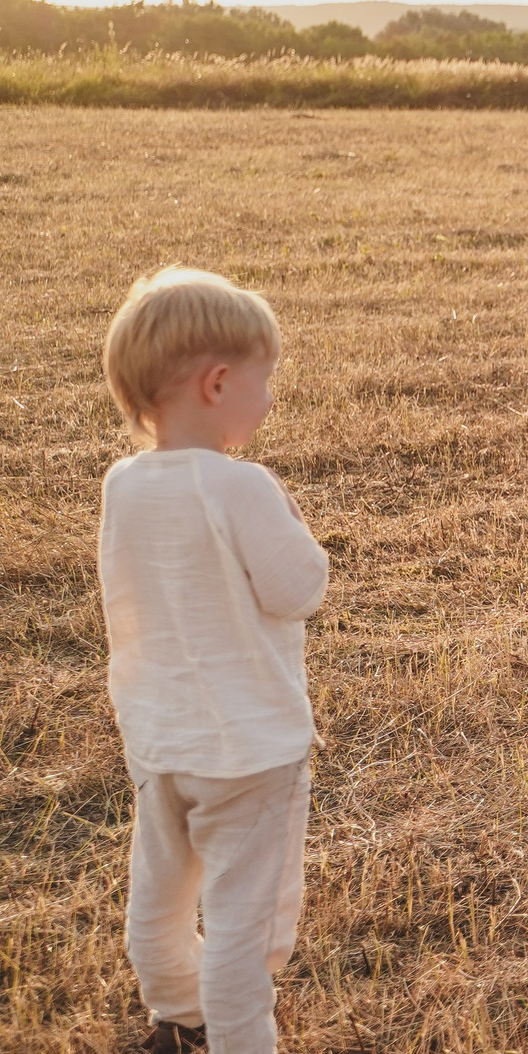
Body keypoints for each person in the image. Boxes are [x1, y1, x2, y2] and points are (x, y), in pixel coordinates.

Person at [98, 267, 328, 1054]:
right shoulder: (243, 487)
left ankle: (174, 1008)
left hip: (161, 741)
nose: (269, 395)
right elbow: (300, 588)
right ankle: (238, 1037)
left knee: (159, 899)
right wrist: (291, 515)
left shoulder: (122, 484)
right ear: (218, 380)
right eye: (265, 379)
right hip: (251, 749)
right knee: (241, 925)